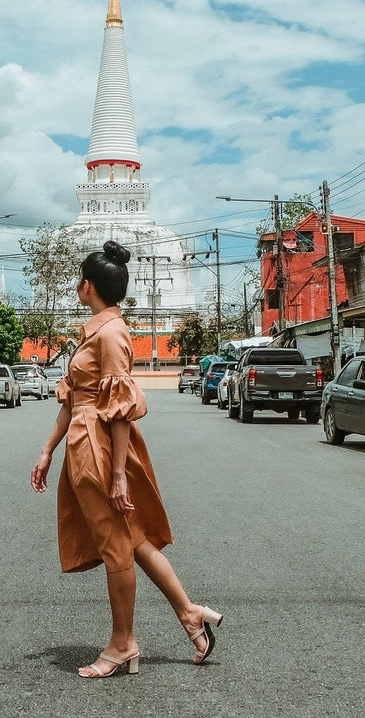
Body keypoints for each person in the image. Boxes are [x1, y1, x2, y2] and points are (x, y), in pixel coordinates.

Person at [30, 240, 223, 678]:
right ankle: (190, 614)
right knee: (132, 538)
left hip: (97, 445)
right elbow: (74, 399)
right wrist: (46, 450)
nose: (77, 284)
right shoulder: (95, 331)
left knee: (118, 544)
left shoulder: (112, 333)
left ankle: (123, 644)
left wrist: (118, 474)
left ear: (89, 285)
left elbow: (118, 410)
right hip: (85, 439)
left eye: (80, 278)